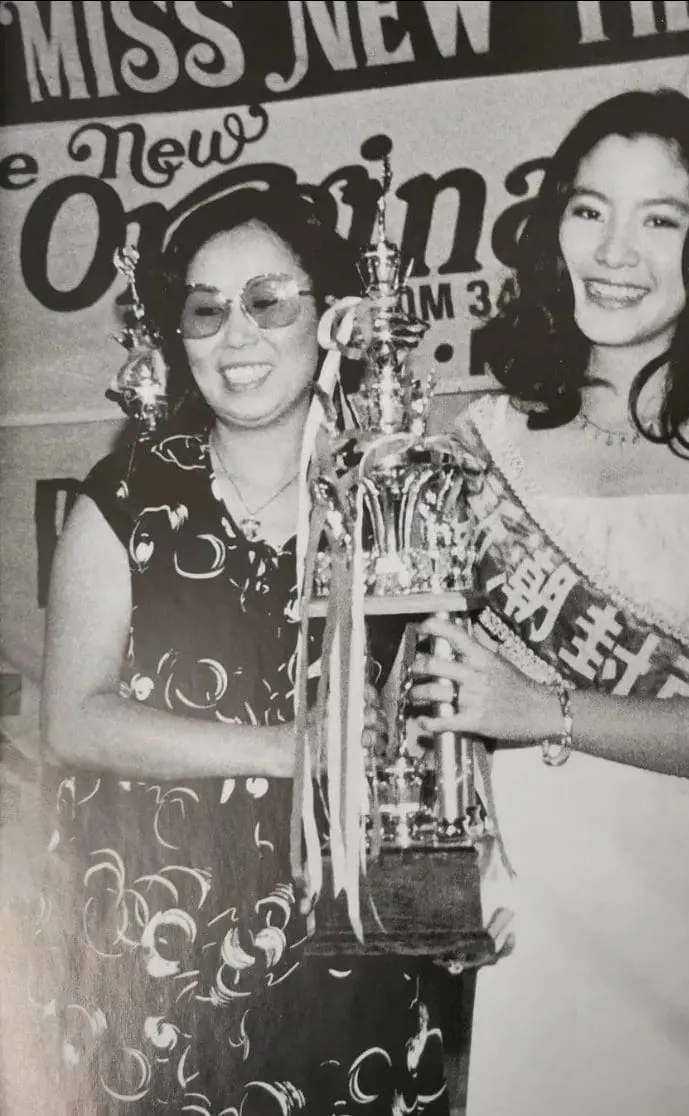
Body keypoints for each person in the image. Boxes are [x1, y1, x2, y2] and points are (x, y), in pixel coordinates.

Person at [409, 89, 689, 1115]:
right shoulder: (470, 440)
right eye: (586, 208)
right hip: (540, 912)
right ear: (549, 227)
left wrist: (542, 712)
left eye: (657, 219)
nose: (613, 251)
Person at [35, 188, 449, 1114]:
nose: (237, 335)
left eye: (268, 301)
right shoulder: (127, 499)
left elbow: (439, 728)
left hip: (348, 964)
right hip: (149, 966)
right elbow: (71, 718)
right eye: (206, 309)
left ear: (333, 314)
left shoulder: (393, 499)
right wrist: (282, 749)